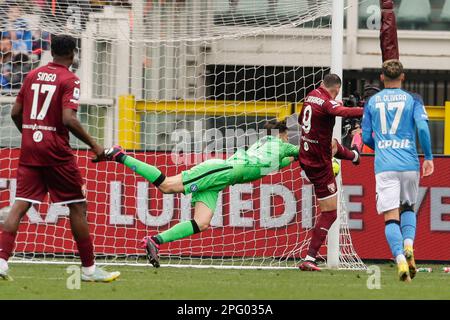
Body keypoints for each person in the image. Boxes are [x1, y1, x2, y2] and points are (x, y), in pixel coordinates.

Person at [0, 34, 120, 282]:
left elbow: (15, 112)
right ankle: (88, 270)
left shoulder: (32, 75)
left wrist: (30, 134)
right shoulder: (70, 79)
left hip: (31, 150)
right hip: (56, 152)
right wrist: (96, 145)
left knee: (20, 205)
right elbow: (69, 119)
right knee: (77, 206)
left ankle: (1, 262)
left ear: (51, 52)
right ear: (73, 54)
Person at [101, 120, 300, 268]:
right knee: (167, 186)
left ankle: (154, 241)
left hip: (220, 181)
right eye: (286, 135)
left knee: (201, 222)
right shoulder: (279, 145)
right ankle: (120, 155)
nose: (287, 139)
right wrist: (330, 155)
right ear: (281, 134)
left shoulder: (266, 147)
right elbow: (303, 151)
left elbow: (288, 160)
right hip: (221, 171)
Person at [362, 59, 434, 282]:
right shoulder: (413, 99)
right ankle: (409, 245)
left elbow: (365, 137)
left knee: (391, 217)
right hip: (409, 164)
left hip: (385, 166)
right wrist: (429, 157)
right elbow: (422, 127)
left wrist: (382, 147)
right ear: (403, 77)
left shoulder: (372, 101)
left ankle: (400, 259)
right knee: (409, 207)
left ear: (382, 78)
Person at [298, 73, 364, 271]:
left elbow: (302, 120)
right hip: (319, 165)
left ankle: (354, 156)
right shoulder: (328, 103)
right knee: (330, 212)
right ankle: (310, 257)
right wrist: (368, 109)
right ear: (336, 90)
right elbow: (342, 112)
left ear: (322, 84)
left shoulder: (311, 95)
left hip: (306, 155)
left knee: (332, 145)